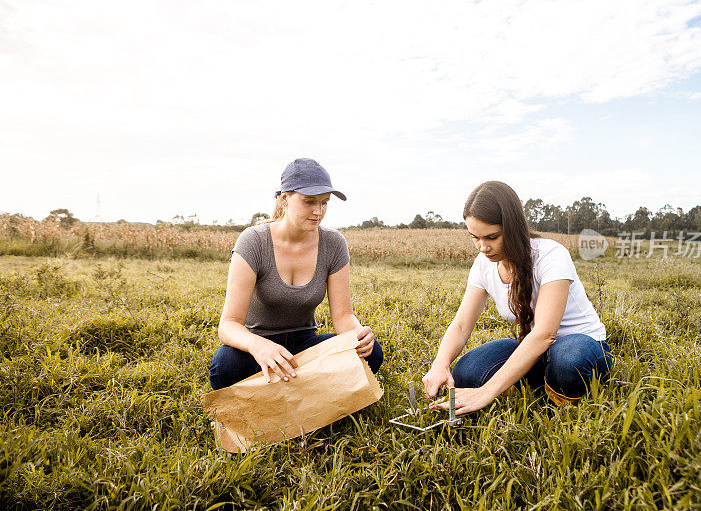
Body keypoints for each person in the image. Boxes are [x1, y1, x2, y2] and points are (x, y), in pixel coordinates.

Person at [422, 181, 612, 413]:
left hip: (581, 346)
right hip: (535, 351)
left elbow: (544, 334)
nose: (482, 247)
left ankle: (558, 389)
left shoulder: (551, 255)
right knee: (466, 371)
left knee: (567, 359)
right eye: (475, 237)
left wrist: (487, 391)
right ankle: (540, 384)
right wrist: (440, 364)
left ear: (513, 228)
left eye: (492, 237)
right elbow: (461, 325)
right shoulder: (483, 264)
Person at [209, 158, 383, 390]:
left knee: (372, 354)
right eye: (309, 202)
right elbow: (229, 325)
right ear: (285, 199)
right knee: (226, 365)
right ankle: (304, 383)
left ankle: (287, 383)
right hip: (258, 344)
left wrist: (359, 335)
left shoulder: (334, 243)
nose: (318, 211)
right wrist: (259, 346)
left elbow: (342, 316)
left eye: (324, 203)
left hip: (305, 343)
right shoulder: (253, 241)